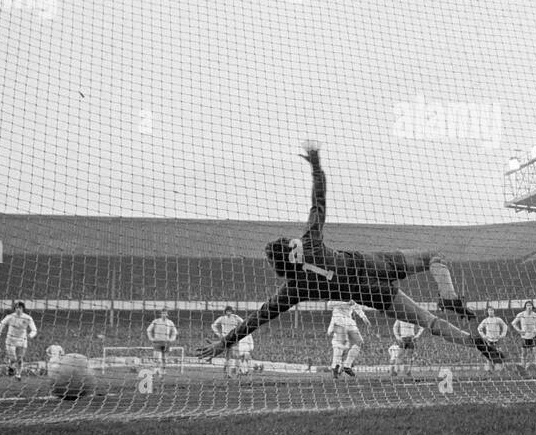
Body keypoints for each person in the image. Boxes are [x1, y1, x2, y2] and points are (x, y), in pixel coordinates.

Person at [195, 143, 503, 366]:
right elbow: (319, 201)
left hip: (374, 295)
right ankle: (449, 296)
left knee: (430, 322)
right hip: (376, 265)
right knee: (435, 257)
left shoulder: (292, 289)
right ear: (292, 251)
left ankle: (477, 343)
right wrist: (316, 167)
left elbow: (257, 318)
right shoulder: (310, 241)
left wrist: (225, 343)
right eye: (289, 243)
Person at [327, 300, 369, 377]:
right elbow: (329, 304)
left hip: (349, 321)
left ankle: (347, 366)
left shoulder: (352, 293)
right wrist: (345, 303)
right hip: (338, 319)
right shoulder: (336, 292)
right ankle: (335, 367)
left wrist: (363, 317)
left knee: (359, 342)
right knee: (340, 344)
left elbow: (356, 306)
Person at [0, 301, 37, 379]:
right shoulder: (10, 316)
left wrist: (30, 335)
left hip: (22, 340)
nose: (18, 309)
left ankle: (18, 375)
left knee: (20, 358)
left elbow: (34, 330)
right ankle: (11, 365)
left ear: (23, 309)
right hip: (10, 340)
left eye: (20, 308)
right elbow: (1, 324)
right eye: (17, 308)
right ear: (15, 309)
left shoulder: (28, 318)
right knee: (13, 359)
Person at [512, 301, 536, 374]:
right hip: (524, 337)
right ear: (525, 307)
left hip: (534, 336)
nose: (529, 307)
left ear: (532, 307)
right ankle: (523, 369)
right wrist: (519, 330)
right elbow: (513, 323)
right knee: (524, 354)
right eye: (527, 305)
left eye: (530, 305)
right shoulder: (521, 314)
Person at [210, 306, 244, 377]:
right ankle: (228, 373)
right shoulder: (222, 318)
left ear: (232, 311)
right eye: (227, 311)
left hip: (234, 338)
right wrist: (219, 334)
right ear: (225, 312)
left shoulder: (235, 317)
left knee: (236, 355)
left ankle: (237, 372)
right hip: (226, 338)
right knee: (228, 356)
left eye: (230, 311)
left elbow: (243, 322)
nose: (228, 312)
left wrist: (239, 331)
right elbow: (213, 325)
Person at [477, 307, 509, 373]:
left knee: (499, 354)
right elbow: (479, 328)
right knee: (489, 356)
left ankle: (499, 369)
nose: (491, 311)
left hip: (497, 341)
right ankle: (489, 370)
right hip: (489, 341)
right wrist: (483, 336)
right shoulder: (485, 320)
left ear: (494, 311)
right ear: (487, 312)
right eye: (489, 310)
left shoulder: (498, 319)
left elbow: (505, 326)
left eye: (492, 310)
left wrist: (502, 335)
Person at [147, 308, 178, 374]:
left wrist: (172, 339)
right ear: (161, 314)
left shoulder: (170, 322)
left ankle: (163, 371)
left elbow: (175, 332)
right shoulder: (156, 321)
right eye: (163, 313)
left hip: (166, 342)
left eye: (165, 313)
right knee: (156, 357)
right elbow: (148, 329)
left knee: (164, 359)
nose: (164, 314)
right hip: (157, 342)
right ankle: (155, 370)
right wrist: (151, 338)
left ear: (167, 314)